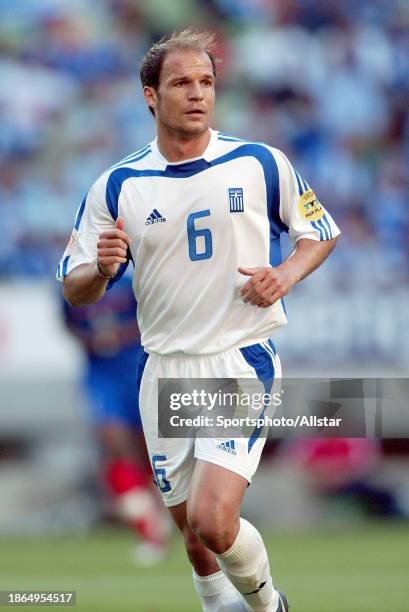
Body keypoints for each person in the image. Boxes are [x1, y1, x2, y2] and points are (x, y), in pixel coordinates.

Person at [58, 28, 340, 612]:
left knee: (214, 520)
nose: (197, 94)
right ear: (149, 96)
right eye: (182, 83)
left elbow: (321, 232)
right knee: (194, 536)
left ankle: (270, 607)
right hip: (162, 369)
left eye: (206, 82)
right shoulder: (118, 185)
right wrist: (102, 270)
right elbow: (75, 287)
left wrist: (283, 276)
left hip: (239, 358)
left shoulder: (260, 162)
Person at [62, 270, 170, 565]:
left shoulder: (136, 279)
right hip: (101, 375)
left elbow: (156, 317)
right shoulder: (74, 280)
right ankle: (149, 530)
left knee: (149, 450)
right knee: (113, 444)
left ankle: (160, 513)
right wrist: (91, 340)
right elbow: (67, 320)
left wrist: (119, 337)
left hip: (137, 367)